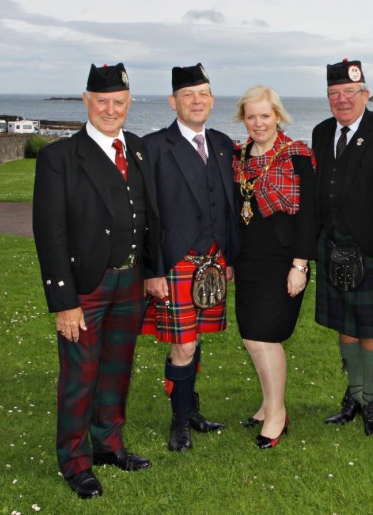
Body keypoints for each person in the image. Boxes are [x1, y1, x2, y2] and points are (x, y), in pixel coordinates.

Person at [32, 63, 159, 499]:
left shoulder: (138, 149)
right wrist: (63, 301)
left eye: (118, 102)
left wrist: (154, 272)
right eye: (102, 101)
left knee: (116, 371)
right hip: (85, 285)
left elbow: (149, 219)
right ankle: (74, 460)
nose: (110, 109)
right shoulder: (60, 158)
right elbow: (49, 234)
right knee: (79, 377)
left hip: (130, 283)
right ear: (87, 101)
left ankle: (108, 444)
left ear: (129, 103)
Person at [140, 63, 240, 452]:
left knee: (195, 341)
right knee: (182, 345)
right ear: (172, 102)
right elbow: (145, 217)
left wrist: (228, 257)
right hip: (175, 262)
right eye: (187, 95)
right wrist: (153, 270)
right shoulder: (152, 147)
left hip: (214, 261)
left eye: (203, 94)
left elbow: (229, 206)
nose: (196, 101)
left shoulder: (221, 143)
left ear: (212, 100)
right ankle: (180, 421)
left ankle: (192, 408)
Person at [312, 59, 373, 436]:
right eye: (334, 94)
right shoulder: (320, 132)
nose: (342, 100)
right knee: (345, 324)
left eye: (350, 92)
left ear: (365, 94)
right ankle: (353, 394)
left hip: (372, 248)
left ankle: (371, 399)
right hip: (334, 245)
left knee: (371, 328)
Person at [232, 85, 319, 449]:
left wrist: (300, 264)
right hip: (248, 261)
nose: (258, 123)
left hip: (285, 261)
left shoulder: (297, 155)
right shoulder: (239, 156)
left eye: (265, 115)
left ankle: (277, 416)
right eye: (251, 116)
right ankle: (269, 403)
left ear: (278, 116)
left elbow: (310, 215)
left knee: (262, 336)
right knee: (251, 337)